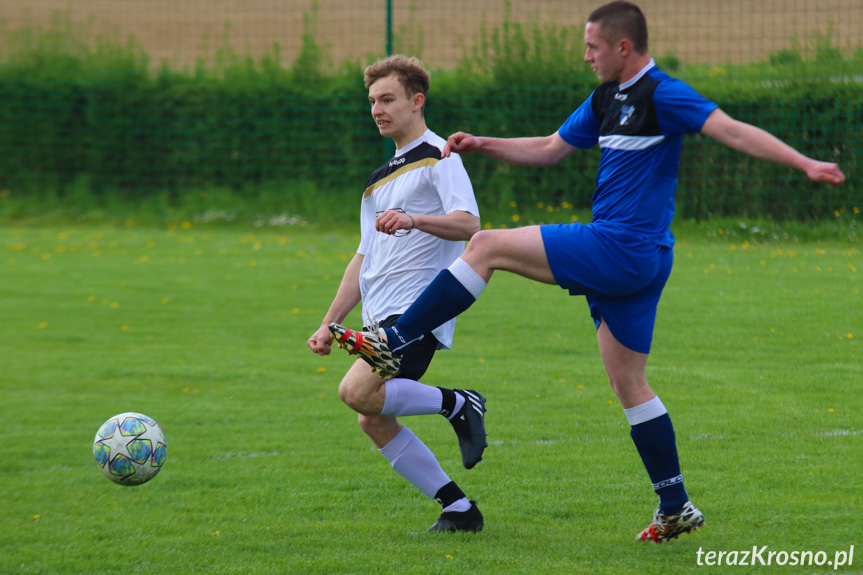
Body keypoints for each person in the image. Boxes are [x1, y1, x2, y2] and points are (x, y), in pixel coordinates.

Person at [327, 1, 846, 543]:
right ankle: (675, 504)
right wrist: (485, 145)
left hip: (621, 245)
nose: (585, 56)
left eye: (592, 47)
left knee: (485, 245)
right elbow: (551, 149)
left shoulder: (662, 93)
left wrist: (804, 163)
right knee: (630, 385)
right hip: (643, 263)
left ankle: (397, 335)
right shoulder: (605, 99)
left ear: (623, 47)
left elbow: (733, 131)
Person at [307, 55, 488, 533]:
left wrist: (414, 220)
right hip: (378, 315)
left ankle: (458, 403)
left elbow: (469, 223)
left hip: (418, 310)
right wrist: (329, 321)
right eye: (372, 101)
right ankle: (459, 509)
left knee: (356, 392)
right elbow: (363, 258)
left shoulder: (439, 157)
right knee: (373, 417)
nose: (377, 109)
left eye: (387, 99)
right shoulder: (377, 180)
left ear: (417, 100)